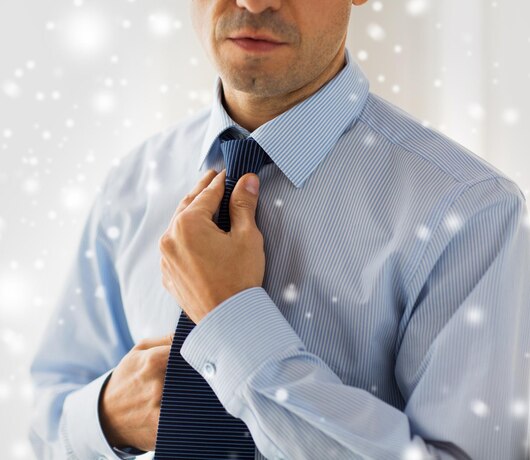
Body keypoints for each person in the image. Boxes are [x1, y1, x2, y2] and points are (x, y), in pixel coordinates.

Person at [28, 0, 530, 459]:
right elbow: (47, 418)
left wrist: (229, 318)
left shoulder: (470, 214)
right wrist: (106, 418)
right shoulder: (135, 181)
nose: (253, 2)